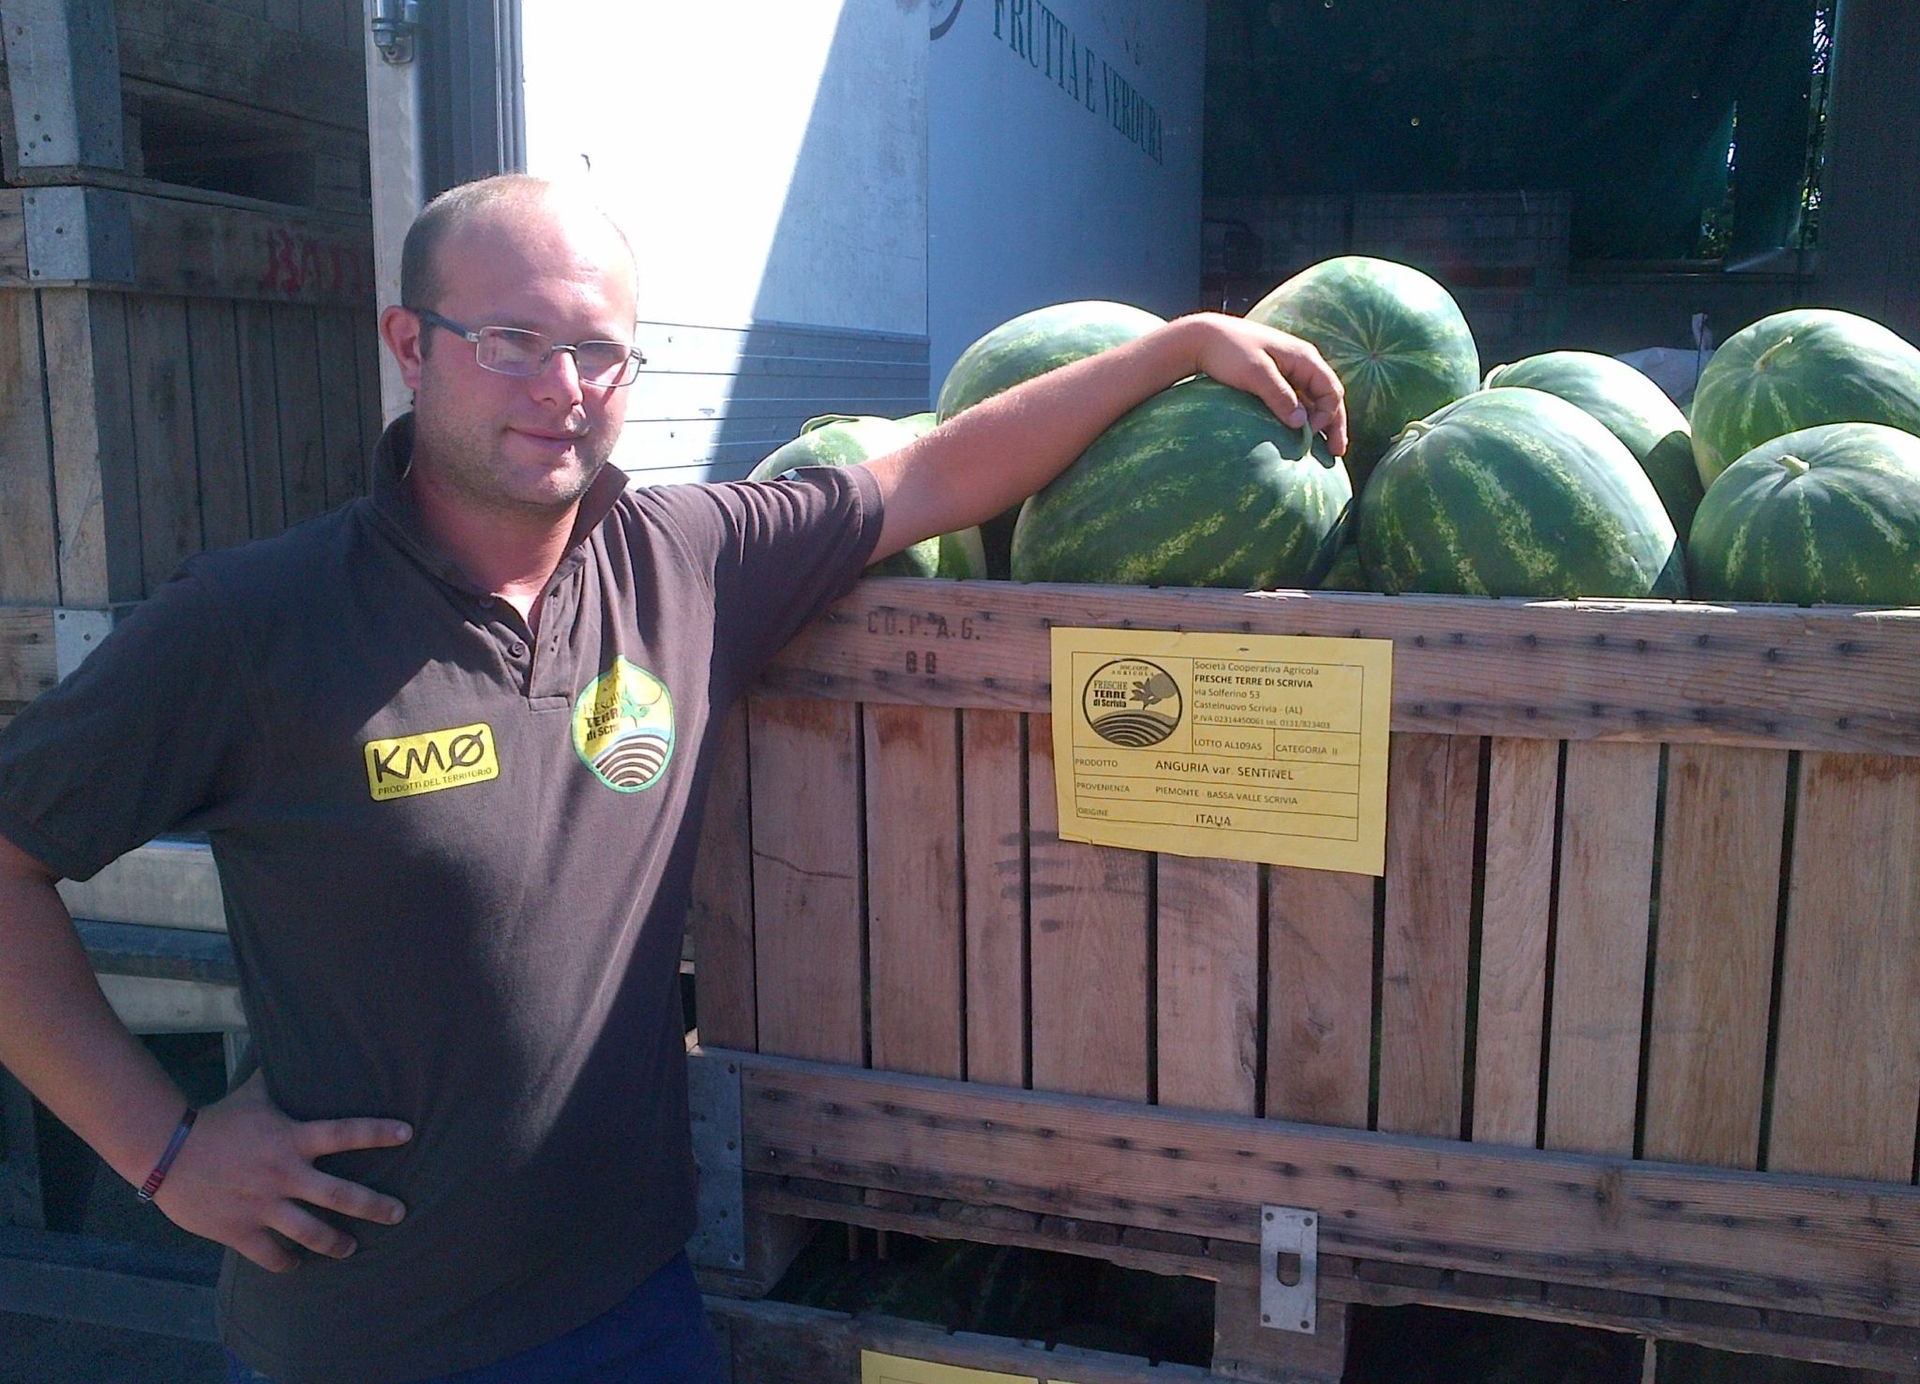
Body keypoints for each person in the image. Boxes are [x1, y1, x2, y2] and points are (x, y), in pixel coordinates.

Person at [0, 174, 1345, 1384]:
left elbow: (936, 469)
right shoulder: (259, 622)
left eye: (599, 350)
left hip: (635, 1314)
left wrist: (1173, 347)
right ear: (411, 346)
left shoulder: (686, 563)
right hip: (368, 1345)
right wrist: (161, 1152)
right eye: (513, 340)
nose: (562, 386)